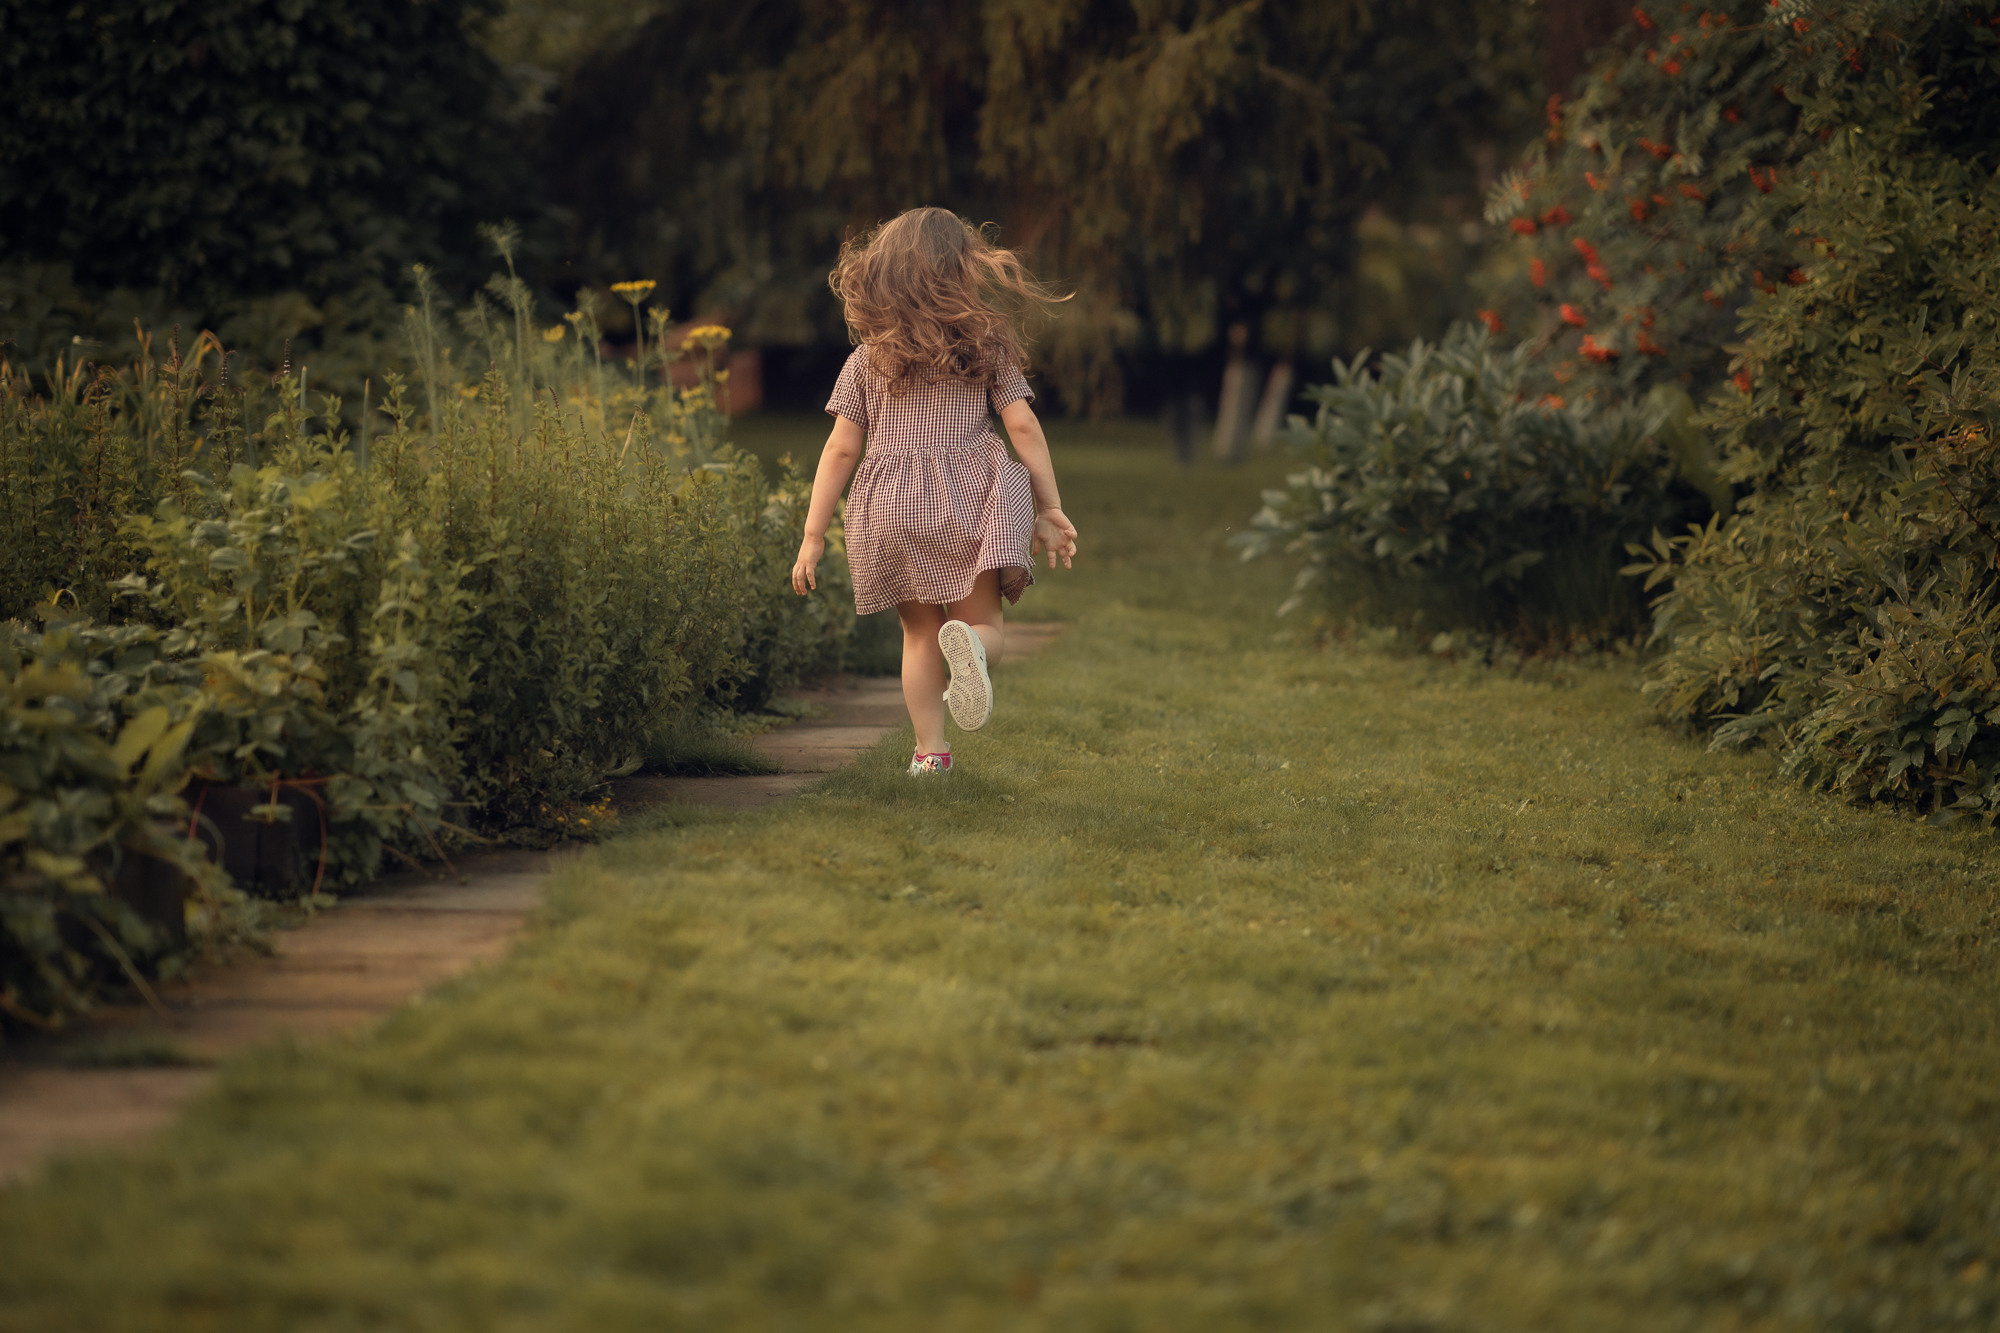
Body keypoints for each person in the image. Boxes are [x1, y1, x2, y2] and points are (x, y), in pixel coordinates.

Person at [790, 207, 1079, 776]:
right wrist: (1049, 507)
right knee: (983, 626)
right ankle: (972, 650)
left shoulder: (866, 359)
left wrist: (813, 534)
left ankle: (929, 756)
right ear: (963, 272)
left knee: (920, 632)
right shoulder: (985, 348)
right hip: (972, 501)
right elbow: (1022, 427)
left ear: (881, 277)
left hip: (894, 507)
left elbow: (841, 450)